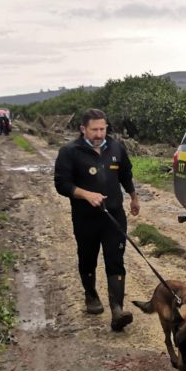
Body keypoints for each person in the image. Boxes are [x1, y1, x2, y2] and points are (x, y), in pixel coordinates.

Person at [53, 108, 141, 331]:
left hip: (113, 216)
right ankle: (91, 295)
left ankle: (117, 310)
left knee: (115, 259)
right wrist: (86, 194)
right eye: (94, 130)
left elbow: (126, 175)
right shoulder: (69, 152)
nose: (99, 134)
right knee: (87, 258)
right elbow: (62, 184)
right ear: (83, 129)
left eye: (103, 129)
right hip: (85, 218)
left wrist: (134, 197)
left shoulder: (116, 148)